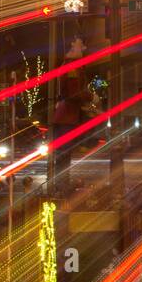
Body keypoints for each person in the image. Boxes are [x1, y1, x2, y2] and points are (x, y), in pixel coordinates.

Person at [49, 37, 89, 195]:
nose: (84, 48)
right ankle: (61, 186)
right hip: (68, 116)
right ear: (72, 48)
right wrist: (90, 97)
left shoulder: (68, 65)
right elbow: (74, 93)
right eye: (81, 45)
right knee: (64, 154)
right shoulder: (72, 67)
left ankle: (60, 185)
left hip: (65, 115)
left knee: (63, 154)